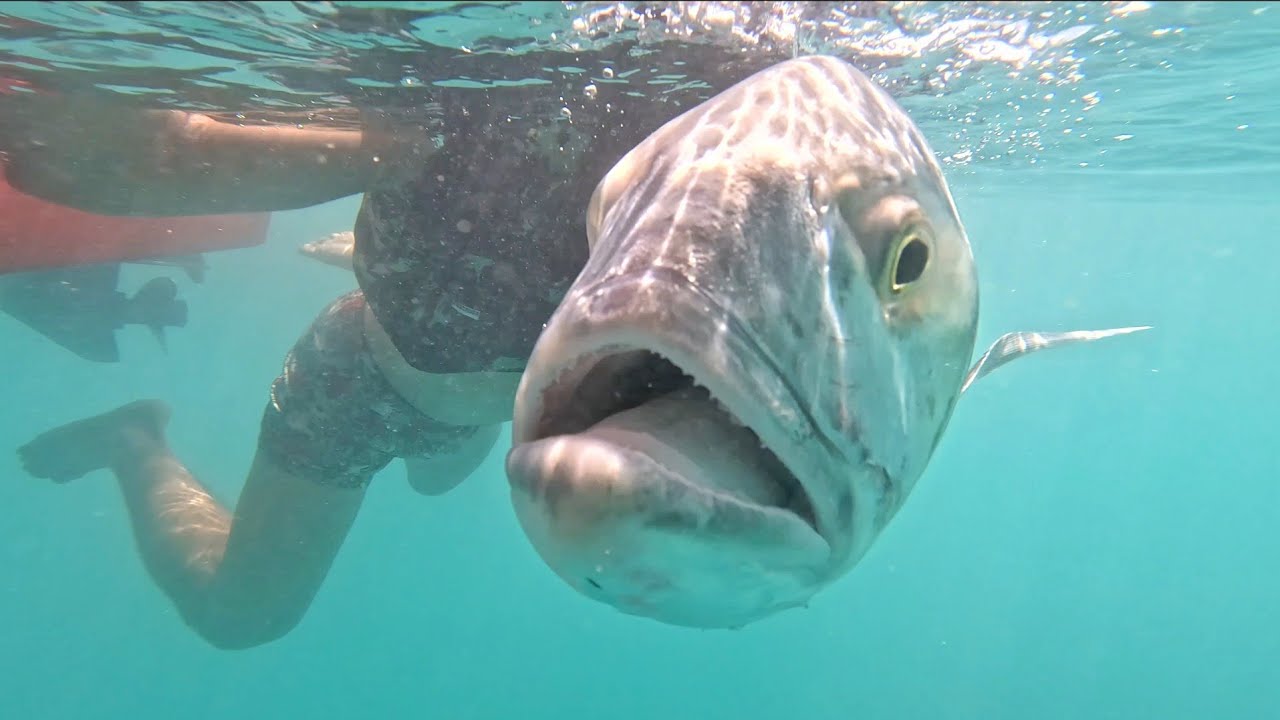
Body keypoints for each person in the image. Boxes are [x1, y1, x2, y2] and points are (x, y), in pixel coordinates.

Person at [5, 37, 793, 649]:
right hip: (360, 384)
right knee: (241, 617)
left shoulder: (693, 152)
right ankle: (135, 442)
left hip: (481, 394)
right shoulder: (449, 119)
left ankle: (397, 306)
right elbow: (167, 161)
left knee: (437, 480)